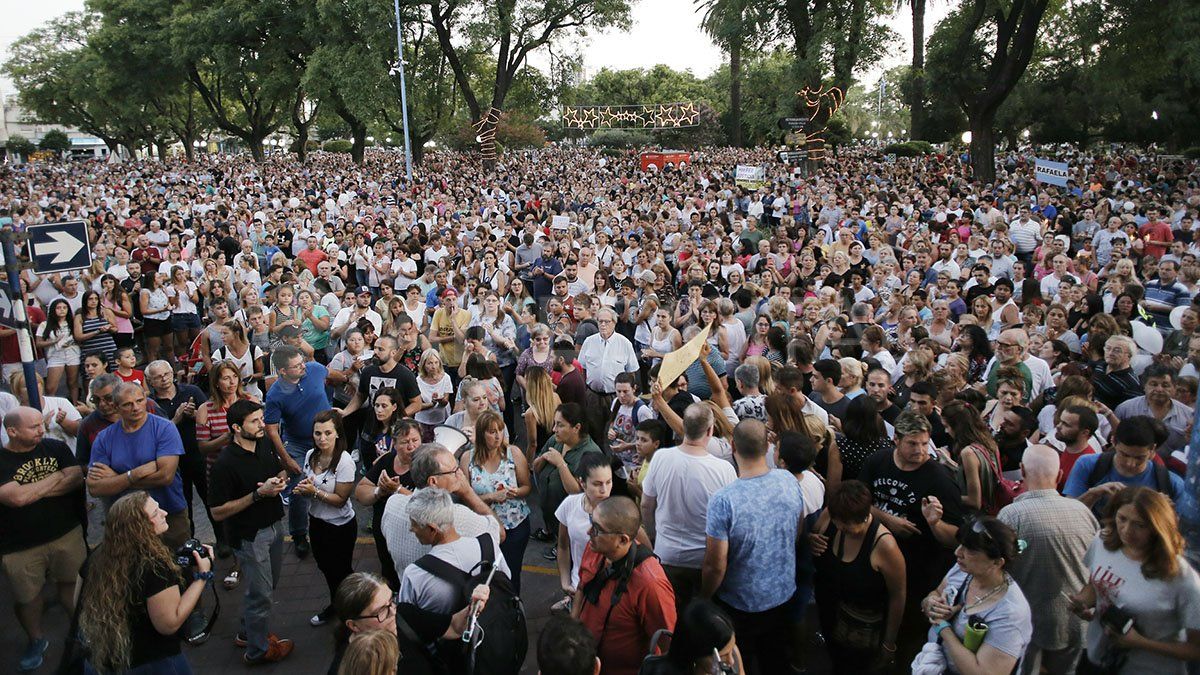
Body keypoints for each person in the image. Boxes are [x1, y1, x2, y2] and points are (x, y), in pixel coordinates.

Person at [856, 408, 963, 662]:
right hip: (875, 561)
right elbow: (859, 501)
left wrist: (935, 524)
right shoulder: (878, 461)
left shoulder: (939, 478)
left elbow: (956, 537)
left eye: (925, 444)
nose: (921, 450)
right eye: (912, 443)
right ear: (896, 440)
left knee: (908, 633)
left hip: (919, 570)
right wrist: (888, 519)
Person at [699, 419, 804, 675]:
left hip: (739, 604)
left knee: (740, 662)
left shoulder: (724, 500)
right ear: (768, 444)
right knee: (776, 660)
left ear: (732, 445)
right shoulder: (788, 480)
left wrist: (704, 597)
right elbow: (797, 529)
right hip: (783, 593)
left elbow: (715, 564)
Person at [77, 492, 213, 674]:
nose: (164, 513)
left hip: (103, 658)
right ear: (140, 527)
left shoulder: (95, 558)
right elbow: (169, 624)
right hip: (152, 662)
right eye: (156, 512)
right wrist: (202, 576)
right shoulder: (155, 567)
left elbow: (77, 605)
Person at [1069, 487, 1200, 673]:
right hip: (1097, 658)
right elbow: (1095, 585)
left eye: (1140, 525)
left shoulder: (1181, 577)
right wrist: (1082, 602)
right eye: (1122, 519)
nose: (1127, 531)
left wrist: (1140, 642)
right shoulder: (1102, 541)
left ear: (1158, 527)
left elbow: (1195, 650)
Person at [998, 444, 1099, 675]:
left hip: (1029, 623)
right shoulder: (1083, 512)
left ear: (1022, 471)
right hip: (1075, 621)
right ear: (1060, 475)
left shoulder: (1011, 515)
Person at [0, 407, 87, 673]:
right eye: (34, 426)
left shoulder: (55, 447)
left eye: (41, 424)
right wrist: (55, 478)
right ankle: (36, 638)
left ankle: (80, 631)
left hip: (66, 534)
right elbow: (14, 499)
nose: (41, 430)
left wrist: (31, 492)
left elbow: (74, 478)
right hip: (19, 545)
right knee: (28, 598)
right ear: (12, 431)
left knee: (72, 586)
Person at [207, 399, 294, 664]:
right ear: (235, 427)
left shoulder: (264, 443)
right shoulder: (225, 463)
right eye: (254, 421)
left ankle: (247, 631)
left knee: (266, 587)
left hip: (275, 525)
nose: (262, 425)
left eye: (261, 418)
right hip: (250, 536)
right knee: (262, 593)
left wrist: (280, 480)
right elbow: (217, 511)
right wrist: (257, 495)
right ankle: (257, 650)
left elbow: (278, 469)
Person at [398, 487, 513, 672]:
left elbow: (407, 620)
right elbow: (507, 580)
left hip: (449, 658)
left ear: (432, 529)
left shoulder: (415, 574)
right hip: (493, 643)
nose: (411, 529)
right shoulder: (488, 544)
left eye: (415, 524)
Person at [642, 403, 738, 616]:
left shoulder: (661, 458)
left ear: (684, 426)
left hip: (666, 554)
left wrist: (654, 536)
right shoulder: (724, 470)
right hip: (703, 561)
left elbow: (647, 504)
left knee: (668, 617)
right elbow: (731, 521)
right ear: (711, 431)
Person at [572, 496, 677, 675]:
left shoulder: (651, 584)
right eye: (592, 521)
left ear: (622, 540)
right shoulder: (595, 548)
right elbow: (582, 588)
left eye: (597, 529)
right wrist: (572, 629)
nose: (589, 532)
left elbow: (667, 646)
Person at [810, 479, 906, 673]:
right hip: (830, 615)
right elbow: (814, 536)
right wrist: (810, 540)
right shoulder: (829, 516)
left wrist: (889, 643)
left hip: (861, 629)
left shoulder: (885, 546)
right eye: (843, 526)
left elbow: (898, 596)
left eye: (860, 522)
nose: (853, 530)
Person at [919, 516, 1033, 675]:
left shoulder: (1011, 614)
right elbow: (937, 592)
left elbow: (983, 672)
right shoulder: (963, 569)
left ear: (997, 563)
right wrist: (930, 603)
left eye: (970, 550)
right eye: (961, 545)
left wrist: (943, 627)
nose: (957, 552)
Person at [86, 382, 191, 548]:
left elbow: (165, 476)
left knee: (180, 563)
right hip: (129, 519)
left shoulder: (165, 428)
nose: (136, 407)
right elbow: (95, 488)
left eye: (140, 401)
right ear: (116, 407)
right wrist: (134, 474)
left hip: (168, 512)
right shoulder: (104, 438)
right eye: (128, 404)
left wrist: (117, 479)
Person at [380, 443, 503, 579]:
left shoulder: (392, 504)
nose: (460, 474)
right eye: (453, 471)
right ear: (433, 481)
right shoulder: (458, 516)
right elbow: (499, 534)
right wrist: (468, 492)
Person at [263, 345, 332, 558]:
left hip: (328, 438)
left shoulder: (314, 369)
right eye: (297, 366)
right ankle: (299, 534)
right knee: (299, 489)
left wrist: (349, 380)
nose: (303, 367)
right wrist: (286, 460)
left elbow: (332, 375)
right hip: (298, 444)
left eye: (302, 362)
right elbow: (272, 431)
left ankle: (331, 523)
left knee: (333, 480)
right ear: (283, 371)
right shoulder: (275, 394)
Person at [293, 410, 358, 627]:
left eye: (328, 433)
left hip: (340, 526)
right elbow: (308, 481)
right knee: (325, 567)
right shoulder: (311, 454)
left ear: (338, 433)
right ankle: (337, 604)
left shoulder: (345, 462)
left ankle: (352, 611)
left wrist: (313, 492)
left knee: (342, 571)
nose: (322, 439)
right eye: (318, 433)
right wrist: (301, 488)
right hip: (317, 522)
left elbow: (340, 499)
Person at [461, 409, 533, 593]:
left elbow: (527, 487)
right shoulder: (468, 459)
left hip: (514, 525)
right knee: (483, 574)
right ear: (481, 434)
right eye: (492, 432)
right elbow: (464, 496)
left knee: (510, 573)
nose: (497, 436)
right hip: (482, 527)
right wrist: (492, 497)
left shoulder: (513, 453)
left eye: (500, 430)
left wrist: (516, 492)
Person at [1065, 415, 1185, 511]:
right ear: (1114, 442)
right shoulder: (1088, 465)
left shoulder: (1171, 483)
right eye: (1124, 455)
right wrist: (1094, 494)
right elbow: (1070, 513)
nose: (1130, 463)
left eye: (1139, 458)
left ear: (1152, 449)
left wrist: (1165, 511)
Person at [533, 402, 604, 543]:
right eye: (555, 424)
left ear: (576, 428)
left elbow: (576, 492)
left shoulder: (590, 453)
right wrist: (543, 458)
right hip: (550, 508)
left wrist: (560, 464)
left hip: (570, 520)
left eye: (560, 425)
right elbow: (535, 467)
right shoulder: (556, 440)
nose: (554, 429)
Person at [578, 308, 641, 449]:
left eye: (607, 321)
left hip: (616, 398)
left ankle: (614, 465)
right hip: (593, 396)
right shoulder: (589, 341)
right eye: (600, 321)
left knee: (615, 433)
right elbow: (582, 368)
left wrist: (628, 398)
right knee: (593, 432)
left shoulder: (624, 343)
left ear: (614, 323)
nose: (603, 325)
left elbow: (631, 373)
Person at [328, 573, 397, 674]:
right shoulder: (345, 669)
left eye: (392, 600)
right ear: (353, 625)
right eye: (381, 611)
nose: (393, 612)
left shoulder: (405, 618)